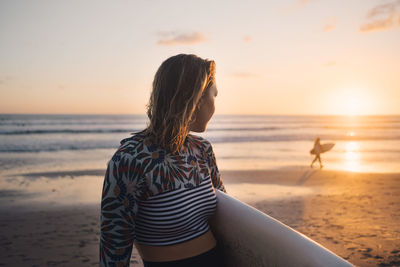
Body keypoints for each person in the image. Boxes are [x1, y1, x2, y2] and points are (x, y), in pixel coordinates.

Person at [99, 54, 226, 267]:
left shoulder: (202, 149)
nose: (215, 106)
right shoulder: (130, 159)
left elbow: (227, 214)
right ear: (197, 99)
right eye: (215, 96)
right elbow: (113, 249)